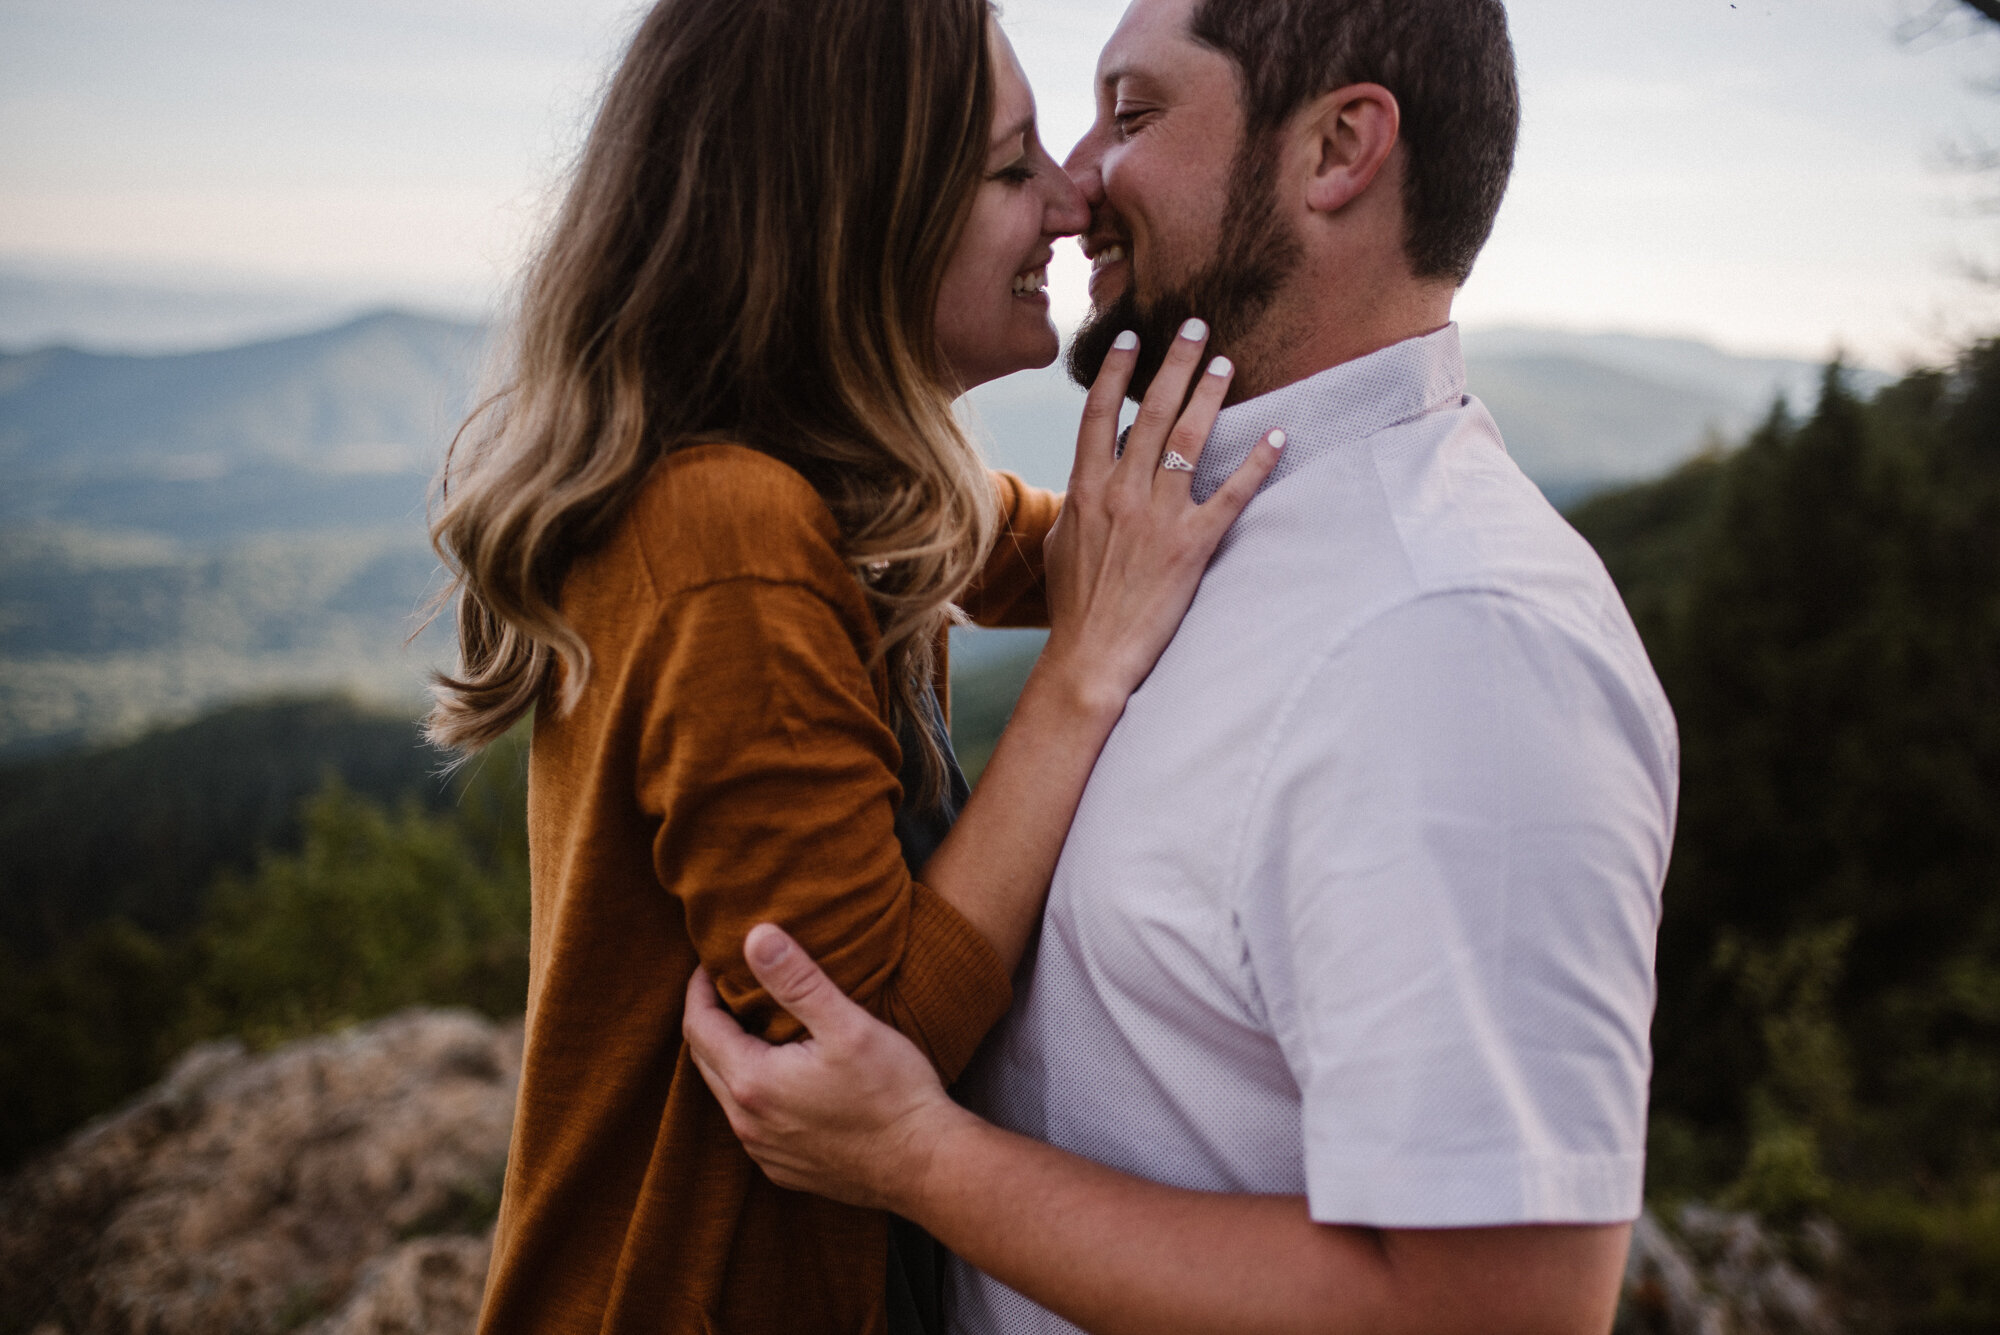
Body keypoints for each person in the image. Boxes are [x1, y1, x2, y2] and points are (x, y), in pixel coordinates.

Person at [682, 0, 1680, 1332]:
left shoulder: (1454, 640)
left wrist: (919, 1161)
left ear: (1336, 151)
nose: (1076, 182)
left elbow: (1499, 1313)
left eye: (1134, 114)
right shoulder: (1176, 529)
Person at [423, 0, 1280, 1331]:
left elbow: (1077, 556)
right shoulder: (732, 530)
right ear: (850, 221)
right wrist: (1078, 686)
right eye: (1008, 169)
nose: (1072, 202)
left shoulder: (839, 488)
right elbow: (869, 1027)